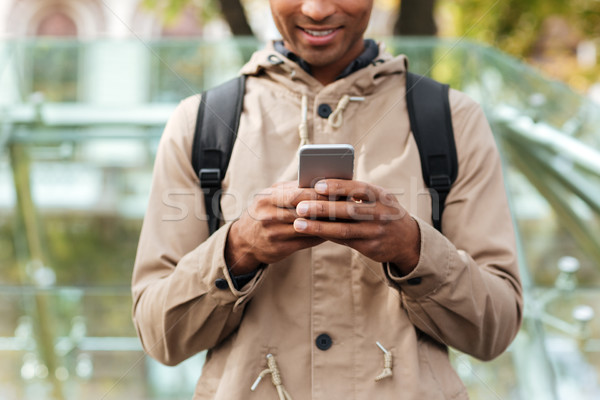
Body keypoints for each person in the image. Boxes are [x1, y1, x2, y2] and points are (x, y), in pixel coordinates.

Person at [132, 0, 523, 399]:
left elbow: (495, 331)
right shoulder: (200, 123)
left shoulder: (454, 120)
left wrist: (413, 249)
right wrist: (237, 249)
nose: (317, 10)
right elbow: (159, 336)